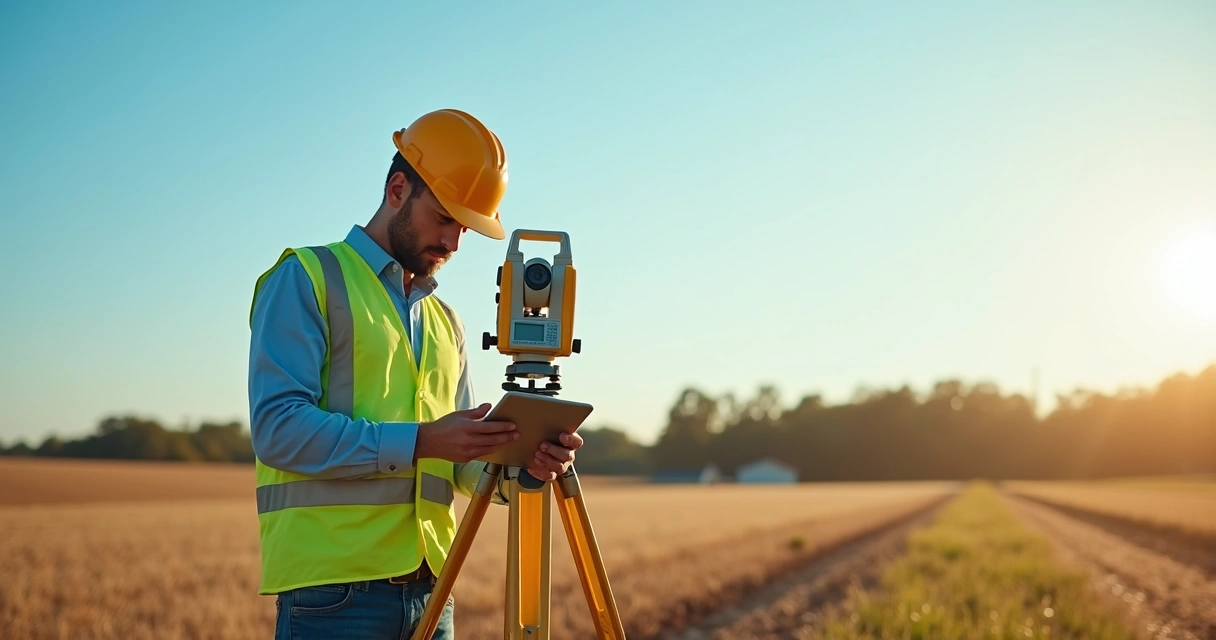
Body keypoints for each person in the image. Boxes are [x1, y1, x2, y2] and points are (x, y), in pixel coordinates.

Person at [246, 109, 583, 640]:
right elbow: (279, 430)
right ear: (399, 189)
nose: (454, 243)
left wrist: (524, 466)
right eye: (446, 218)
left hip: (432, 593)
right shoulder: (307, 278)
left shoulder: (446, 323)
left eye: (466, 228)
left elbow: (462, 466)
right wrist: (425, 439)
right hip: (336, 596)